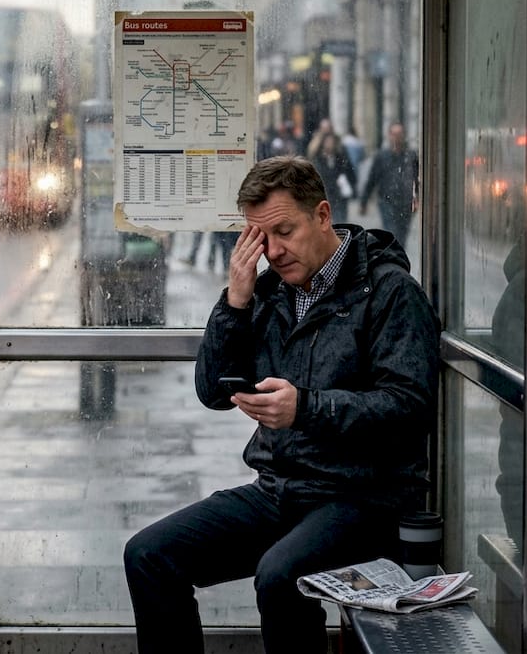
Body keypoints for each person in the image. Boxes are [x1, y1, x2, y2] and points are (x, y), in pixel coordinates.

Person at [124, 155, 440, 653]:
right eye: (260, 238)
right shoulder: (270, 292)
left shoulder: (389, 292)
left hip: (363, 497)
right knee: (148, 554)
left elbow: (409, 407)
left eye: (284, 231)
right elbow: (212, 392)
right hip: (279, 489)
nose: (274, 251)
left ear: (322, 215)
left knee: (280, 575)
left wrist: (307, 408)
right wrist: (236, 299)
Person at [360, 122, 420, 247]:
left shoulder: (411, 156)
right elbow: (372, 179)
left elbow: (417, 178)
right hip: (387, 201)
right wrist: (364, 201)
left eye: (399, 134)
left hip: (405, 202)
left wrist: (417, 197)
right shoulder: (382, 156)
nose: (397, 137)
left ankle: (399, 260)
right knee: (392, 233)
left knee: (402, 235)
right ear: (389, 135)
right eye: (394, 134)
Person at [312, 132, 357, 224]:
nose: (329, 144)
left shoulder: (340, 157)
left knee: (340, 221)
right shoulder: (318, 159)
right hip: (325, 195)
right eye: (327, 142)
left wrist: (352, 188)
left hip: (339, 195)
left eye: (331, 142)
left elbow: (349, 173)